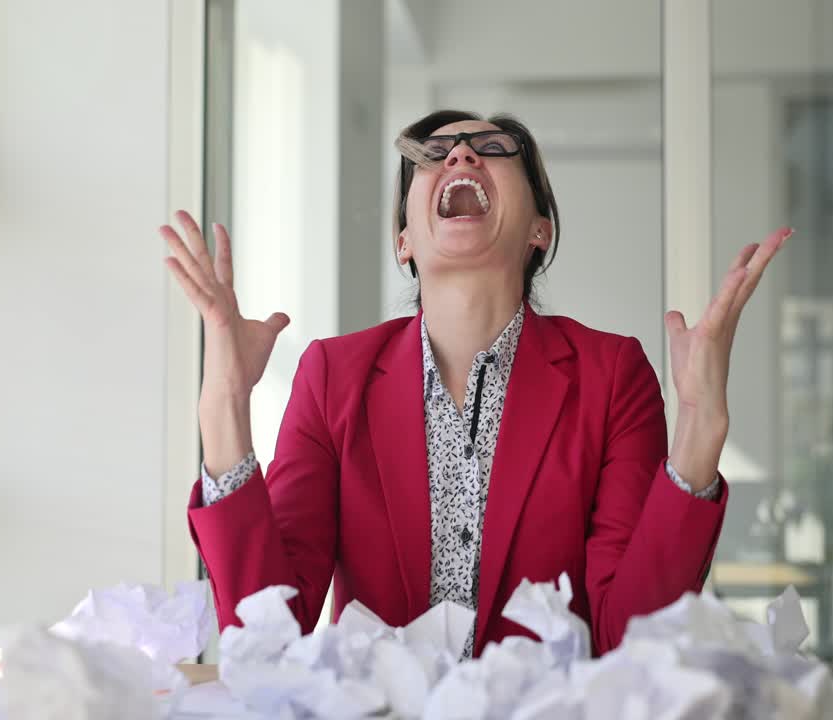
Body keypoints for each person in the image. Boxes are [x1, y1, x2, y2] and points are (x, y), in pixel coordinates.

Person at [160, 109, 790, 658]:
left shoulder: (611, 376)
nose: (460, 154)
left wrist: (702, 423)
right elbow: (267, 635)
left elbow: (633, 639)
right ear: (404, 240)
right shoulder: (333, 377)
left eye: (492, 149)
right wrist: (224, 405)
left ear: (539, 230)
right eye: (434, 155)